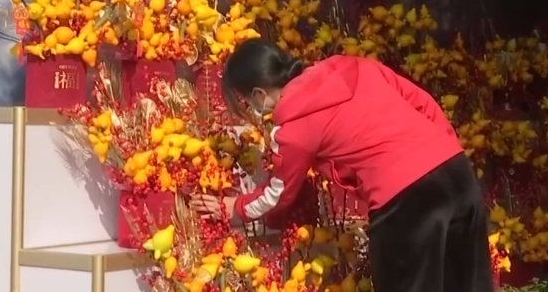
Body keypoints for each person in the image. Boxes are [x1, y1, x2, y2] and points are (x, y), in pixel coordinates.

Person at [192, 38, 495, 292]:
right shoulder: (352, 66)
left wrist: (236, 207)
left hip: (407, 201)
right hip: (458, 174)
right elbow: (424, 104)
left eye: (246, 102)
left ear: (259, 94)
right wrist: (444, 153)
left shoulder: (293, 128)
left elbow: (278, 193)